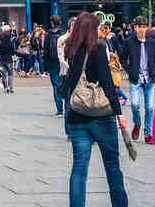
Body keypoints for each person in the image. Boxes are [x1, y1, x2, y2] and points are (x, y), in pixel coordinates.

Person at [59, 12, 129, 207]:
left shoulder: (71, 49)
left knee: (79, 169)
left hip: (77, 115)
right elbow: (107, 83)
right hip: (102, 117)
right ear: (91, 29)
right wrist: (118, 113)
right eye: (97, 27)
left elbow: (70, 83)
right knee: (113, 168)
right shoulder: (98, 48)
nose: (100, 31)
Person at [120, 16, 155, 144]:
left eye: (144, 26)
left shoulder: (152, 42)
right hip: (135, 79)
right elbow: (123, 59)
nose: (142, 29)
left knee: (149, 107)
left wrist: (154, 71)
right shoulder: (129, 42)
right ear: (135, 27)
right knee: (134, 104)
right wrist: (130, 70)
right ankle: (137, 123)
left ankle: (148, 133)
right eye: (139, 26)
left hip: (149, 79)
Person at [44, 16, 64, 115]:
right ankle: (68, 107)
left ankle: (59, 109)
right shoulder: (63, 33)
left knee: (56, 86)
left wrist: (45, 66)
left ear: (52, 23)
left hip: (52, 63)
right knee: (65, 84)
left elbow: (45, 51)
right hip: (63, 62)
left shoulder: (48, 35)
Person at [0, 26, 16, 93]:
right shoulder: (11, 42)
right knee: (10, 74)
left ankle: (5, 87)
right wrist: (12, 54)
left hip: (2, 59)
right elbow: (13, 50)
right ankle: (11, 87)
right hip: (9, 59)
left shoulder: (1, 42)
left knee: (4, 74)